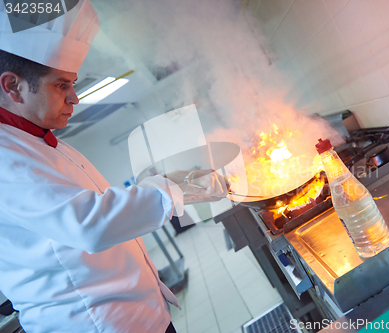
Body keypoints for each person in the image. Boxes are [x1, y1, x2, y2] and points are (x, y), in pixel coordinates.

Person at [0, 1, 227, 332]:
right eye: (61, 85)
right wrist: (173, 188)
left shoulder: (44, 141)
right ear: (13, 87)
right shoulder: (6, 156)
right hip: (96, 324)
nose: (74, 97)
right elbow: (89, 223)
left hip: (135, 315)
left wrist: (168, 185)